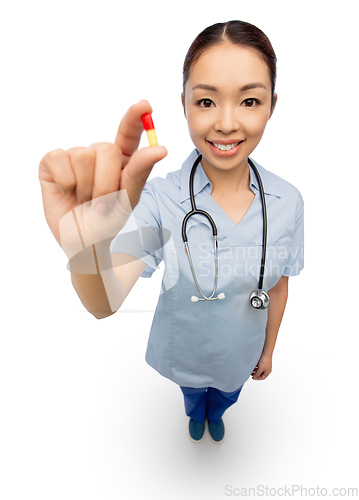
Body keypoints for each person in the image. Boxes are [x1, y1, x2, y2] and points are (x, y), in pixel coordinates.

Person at [39, 20, 304, 445]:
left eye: (250, 100)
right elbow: (104, 303)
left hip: (241, 353)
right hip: (184, 351)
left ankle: (217, 412)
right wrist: (85, 252)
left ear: (272, 105)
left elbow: (278, 287)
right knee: (191, 395)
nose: (226, 123)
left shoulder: (288, 201)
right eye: (206, 102)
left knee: (226, 396)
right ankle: (195, 414)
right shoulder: (162, 198)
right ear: (184, 105)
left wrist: (268, 349)